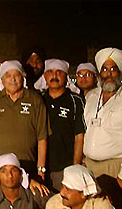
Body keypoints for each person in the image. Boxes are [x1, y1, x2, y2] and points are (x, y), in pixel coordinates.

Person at [84, 47, 122, 192]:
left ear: (120, 71)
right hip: (89, 166)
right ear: (100, 73)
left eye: (113, 69)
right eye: (104, 70)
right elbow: (86, 129)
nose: (109, 74)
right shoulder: (91, 97)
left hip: (115, 168)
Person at [0, 60, 48, 180]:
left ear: (22, 77)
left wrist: (41, 168)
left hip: (28, 165)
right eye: (8, 75)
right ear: (2, 79)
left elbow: (42, 137)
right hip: (0, 167)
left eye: (16, 75)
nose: (13, 79)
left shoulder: (35, 99)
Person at [42, 59, 85, 191]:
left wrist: (75, 167)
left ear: (66, 77)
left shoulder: (75, 101)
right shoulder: (39, 100)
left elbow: (79, 136)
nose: (54, 76)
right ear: (45, 76)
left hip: (65, 169)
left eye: (59, 72)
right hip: (41, 168)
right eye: (50, 72)